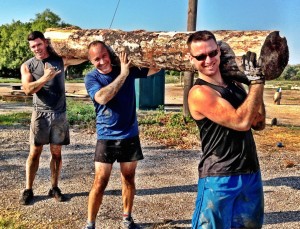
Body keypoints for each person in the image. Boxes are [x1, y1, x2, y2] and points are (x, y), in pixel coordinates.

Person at [187, 31, 266, 229]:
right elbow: (241, 122)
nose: (208, 60)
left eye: (213, 53)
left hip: (250, 173)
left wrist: (252, 83)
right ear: (191, 59)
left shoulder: (235, 85)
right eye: (200, 56)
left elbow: (258, 123)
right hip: (219, 179)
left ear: (219, 53)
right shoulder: (199, 93)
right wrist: (256, 83)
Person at [83, 40, 160, 229]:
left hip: (129, 135)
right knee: (100, 181)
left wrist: (143, 48)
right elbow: (102, 97)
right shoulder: (91, 78)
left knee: (128, 178)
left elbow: (156, 68)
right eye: (96, 59)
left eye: (104, 56)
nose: (102, 61)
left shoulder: (126, 68)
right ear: (91, 61)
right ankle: (90, 224)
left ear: (109, 53)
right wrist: (124, 74)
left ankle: (127, 219)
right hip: (106, 136)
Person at [19, 31, 69, 205]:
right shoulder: (28, 66)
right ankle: (28, 189)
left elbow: (85, 56)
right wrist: (46, 77)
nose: (36, 49)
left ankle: (54, 187)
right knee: (35, 152)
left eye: (39, 44)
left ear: (46, 43)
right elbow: (27, 89)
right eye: (33, 46)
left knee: (56, 153)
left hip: (59, 114)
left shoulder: (60, 60)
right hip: (39, 114)